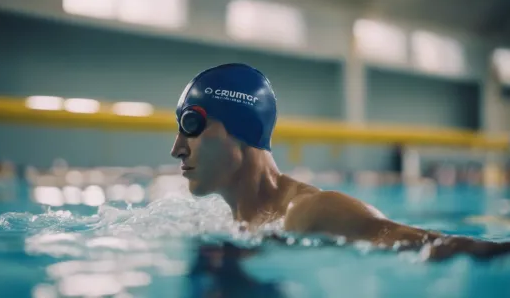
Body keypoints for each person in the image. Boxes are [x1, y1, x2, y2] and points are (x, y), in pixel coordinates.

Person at [171, 63, 510, 261]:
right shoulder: (224, 222)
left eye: (190, 126)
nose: (177, 149)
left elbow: (435, 245)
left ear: (242, 128)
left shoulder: (309, 211)